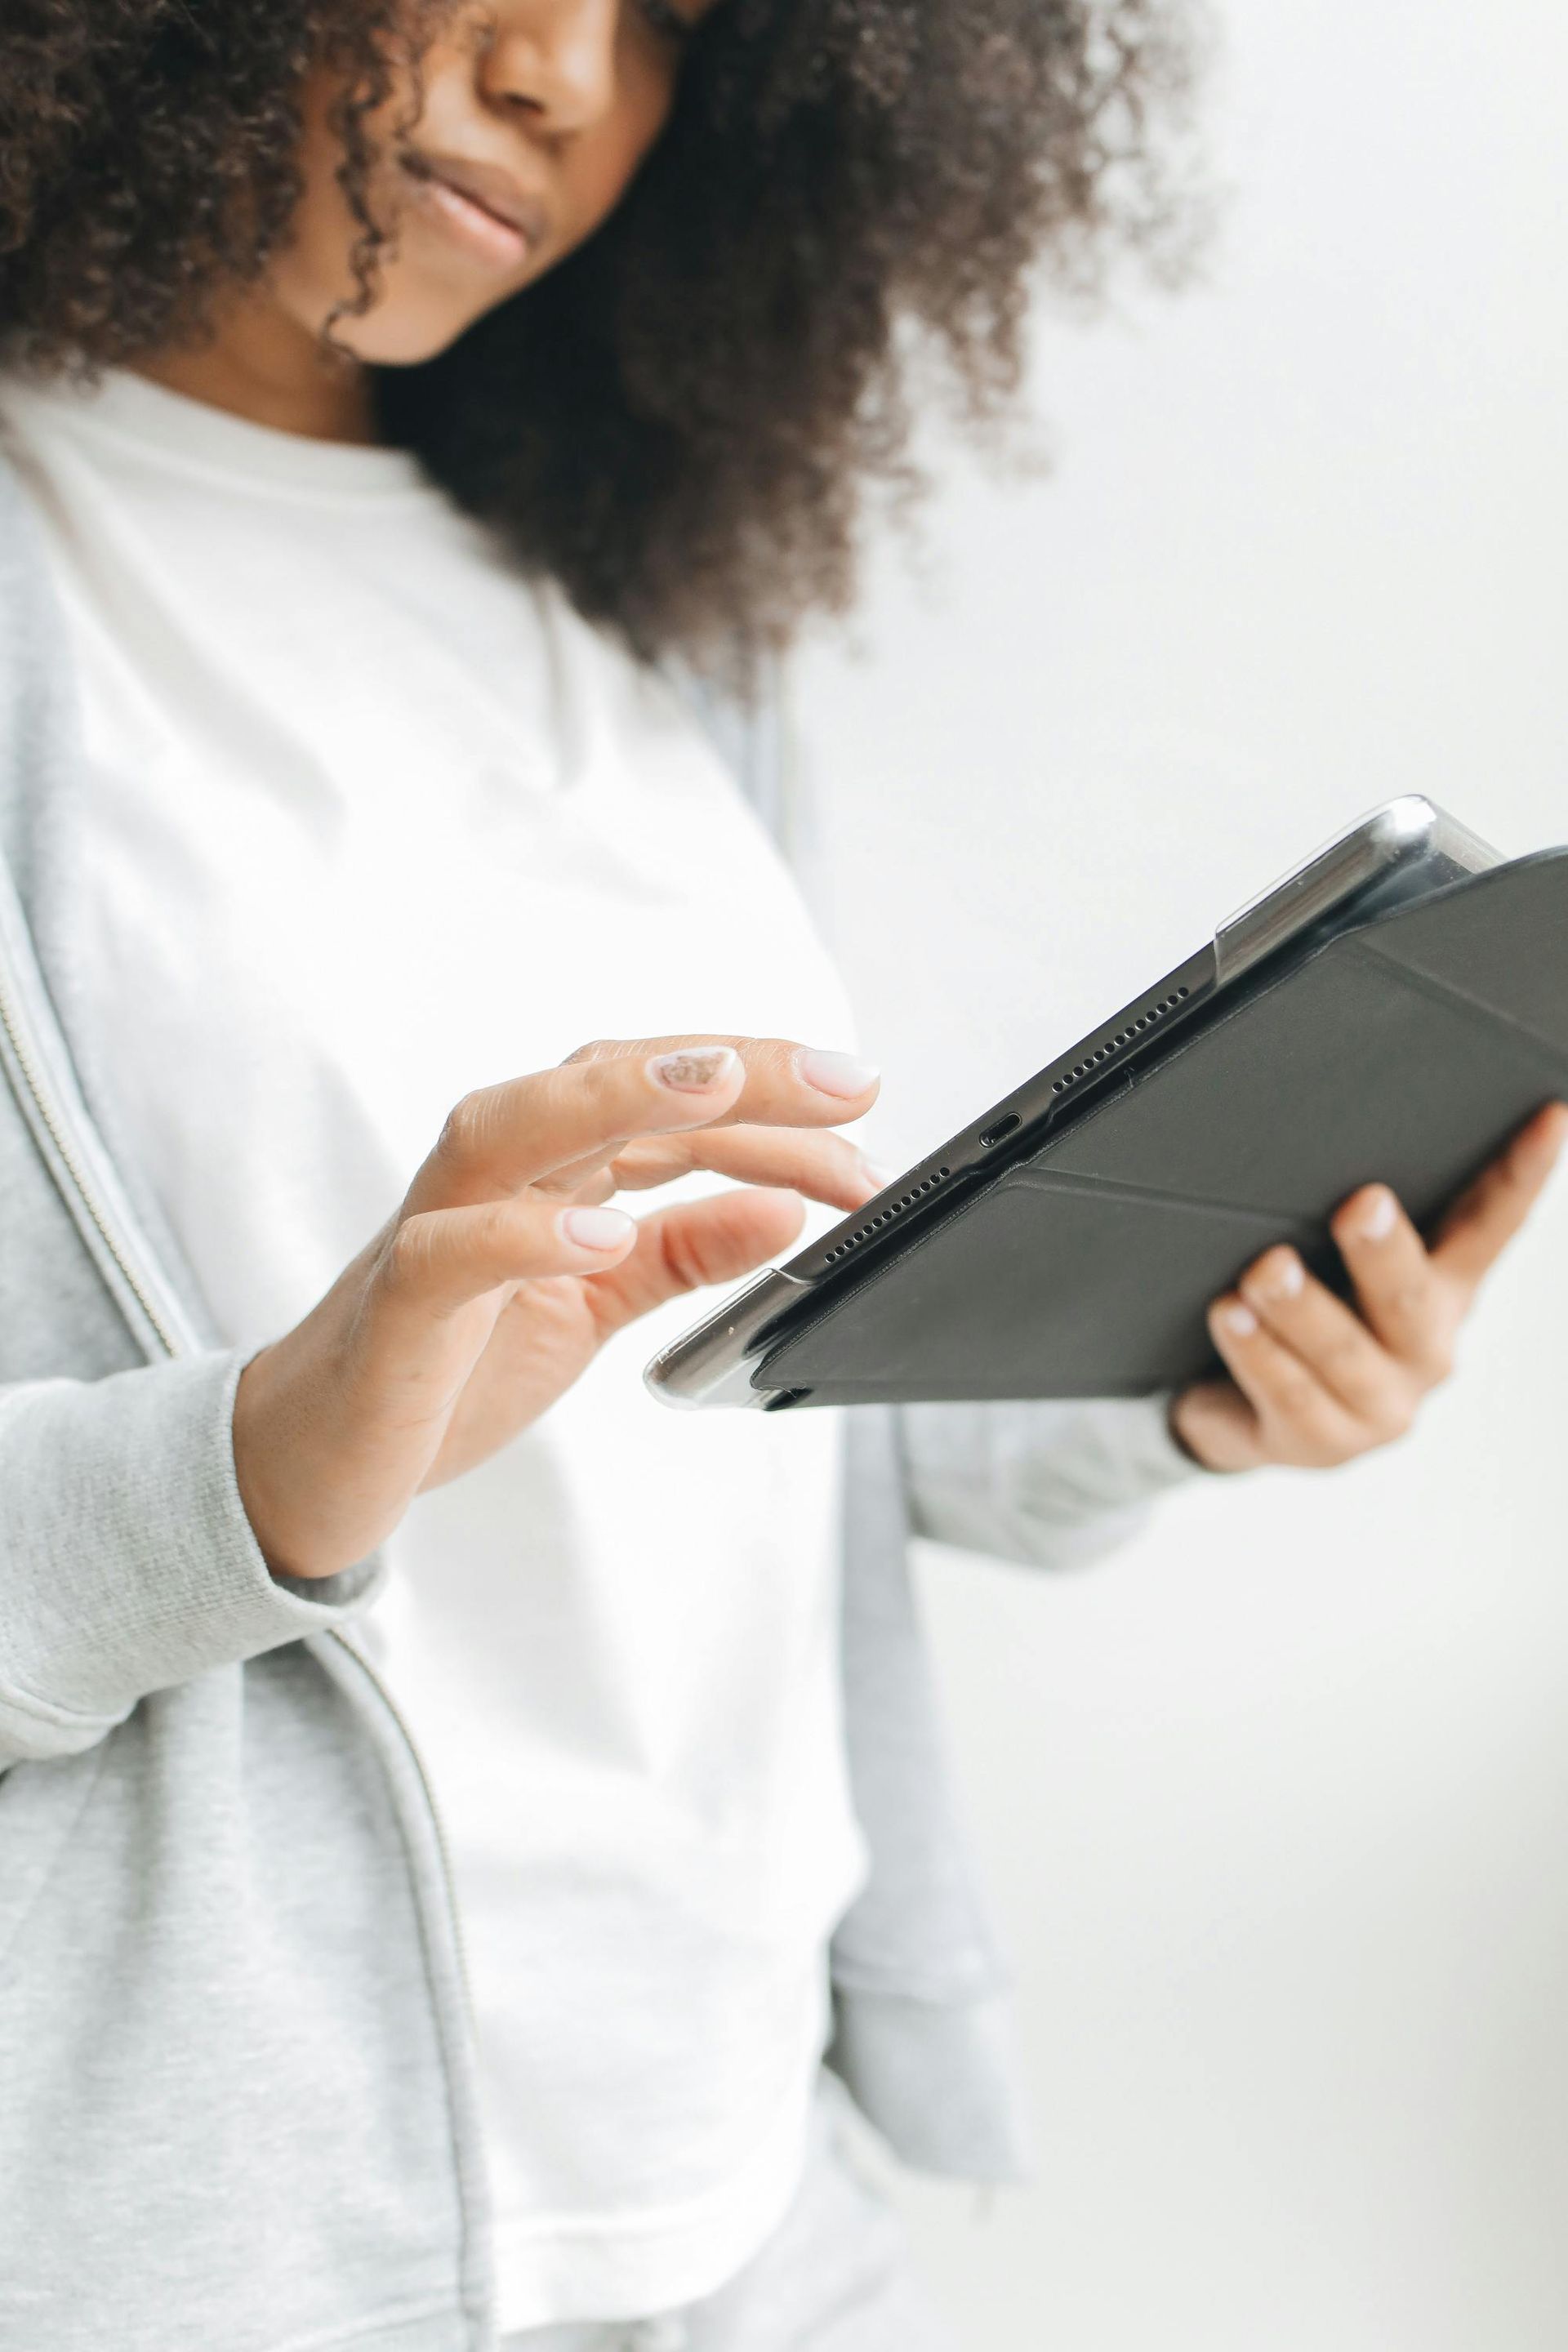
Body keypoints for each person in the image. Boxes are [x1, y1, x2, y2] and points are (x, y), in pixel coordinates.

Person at [0, 4, 1561, 2348]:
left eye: (675, 25)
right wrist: (263, 1462)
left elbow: (714, 1416)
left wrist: (1191, 1369)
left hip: (747, 2190)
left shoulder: (637, 624)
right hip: (220, 2259)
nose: (561, 77)